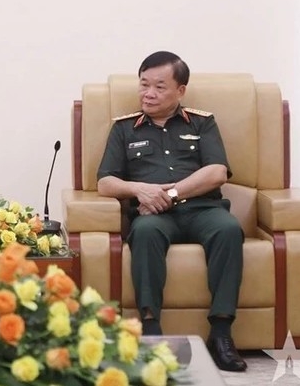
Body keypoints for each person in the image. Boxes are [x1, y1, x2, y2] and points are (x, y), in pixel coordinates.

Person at [96, 51, 247, 372]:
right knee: (146, 232)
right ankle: (151, 332)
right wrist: (139, 189)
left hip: (202, 208)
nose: (148, 94)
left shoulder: (203, 123)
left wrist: (173, 193)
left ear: (180, 90)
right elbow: (105, 182)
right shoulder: (124, 129)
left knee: (229, 229)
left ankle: (221, 333)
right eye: (144, 85)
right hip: (153, 215)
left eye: (159, 87)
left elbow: (217, 172)